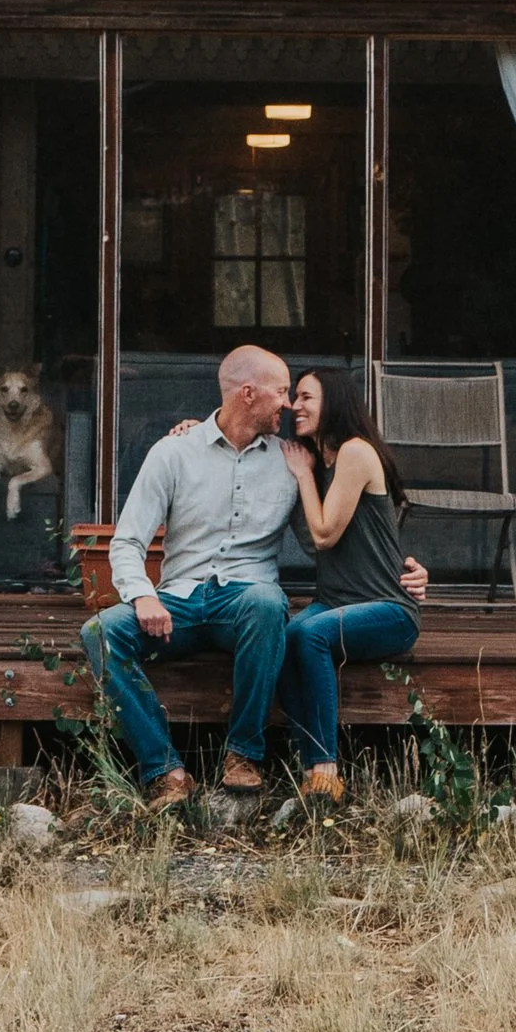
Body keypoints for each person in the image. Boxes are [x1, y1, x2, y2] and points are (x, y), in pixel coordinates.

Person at [80, 344, 300, 808]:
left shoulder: (291, 460)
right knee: (99, 632)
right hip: (177, 601)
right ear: (247, 393)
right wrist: (142, 597)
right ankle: (166, 771)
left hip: (243, 603)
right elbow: (127, 541)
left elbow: (331, 533)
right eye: (281, 391)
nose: (289, 402)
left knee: (267, 603)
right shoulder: (174, 453)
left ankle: (243, 755)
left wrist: (395, 572)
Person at [276, 365, 430, 802]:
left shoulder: (355, 452)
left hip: (388, 610)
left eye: (306, 397)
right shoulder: (317, 458)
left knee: (311, 632)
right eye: (294, 397)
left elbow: (324, 535)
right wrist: (189, 429)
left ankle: (327, 768)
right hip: (337, 600)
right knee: (284, 638)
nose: (294, 406)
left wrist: (303, 477)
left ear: (335, 402)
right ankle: (312, 771)